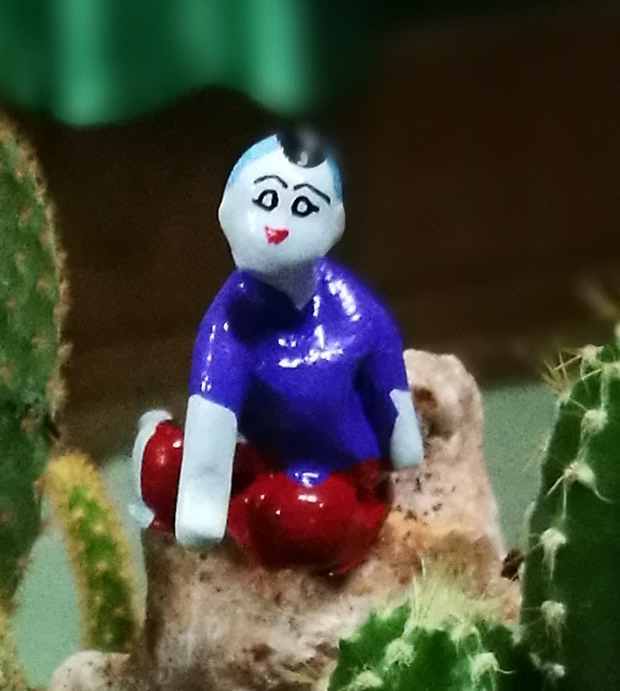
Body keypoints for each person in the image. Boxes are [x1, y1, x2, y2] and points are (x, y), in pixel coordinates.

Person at [130, 127, 425, 577]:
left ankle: (265, 513)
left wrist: (403, 447)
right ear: (227, 209)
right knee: (165, 464)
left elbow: (389, 391)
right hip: (258, 457)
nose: (278, 224)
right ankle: (176, 456)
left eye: (303, 207)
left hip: (338, 469)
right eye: (266, 200)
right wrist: (201, 511)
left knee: (305, 519)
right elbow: (212, 423)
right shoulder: (228, 325)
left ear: (335, 224)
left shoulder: (355, 309)